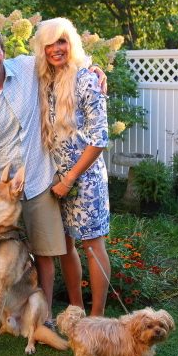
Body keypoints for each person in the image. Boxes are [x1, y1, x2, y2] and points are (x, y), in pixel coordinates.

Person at [0, 26, 105, 335]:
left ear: (3, 51)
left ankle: (45, 315)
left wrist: (93, 70)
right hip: (2, 192)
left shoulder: (25, 67)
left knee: (47, 252)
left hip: (38, 177)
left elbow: (65, 62)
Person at [32, 18, 111, 317]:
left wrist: (71, 179)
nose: (56, 49)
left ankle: (97, 316)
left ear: (72, 43)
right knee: (65, 244)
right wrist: (61, 181)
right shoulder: (43, 79)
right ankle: (76, 309)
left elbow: (100, 138)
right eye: (49, 43)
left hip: (86, 178)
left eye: (61, 41)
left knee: (92, 244)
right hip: (56, 178)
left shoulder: (87, 79)